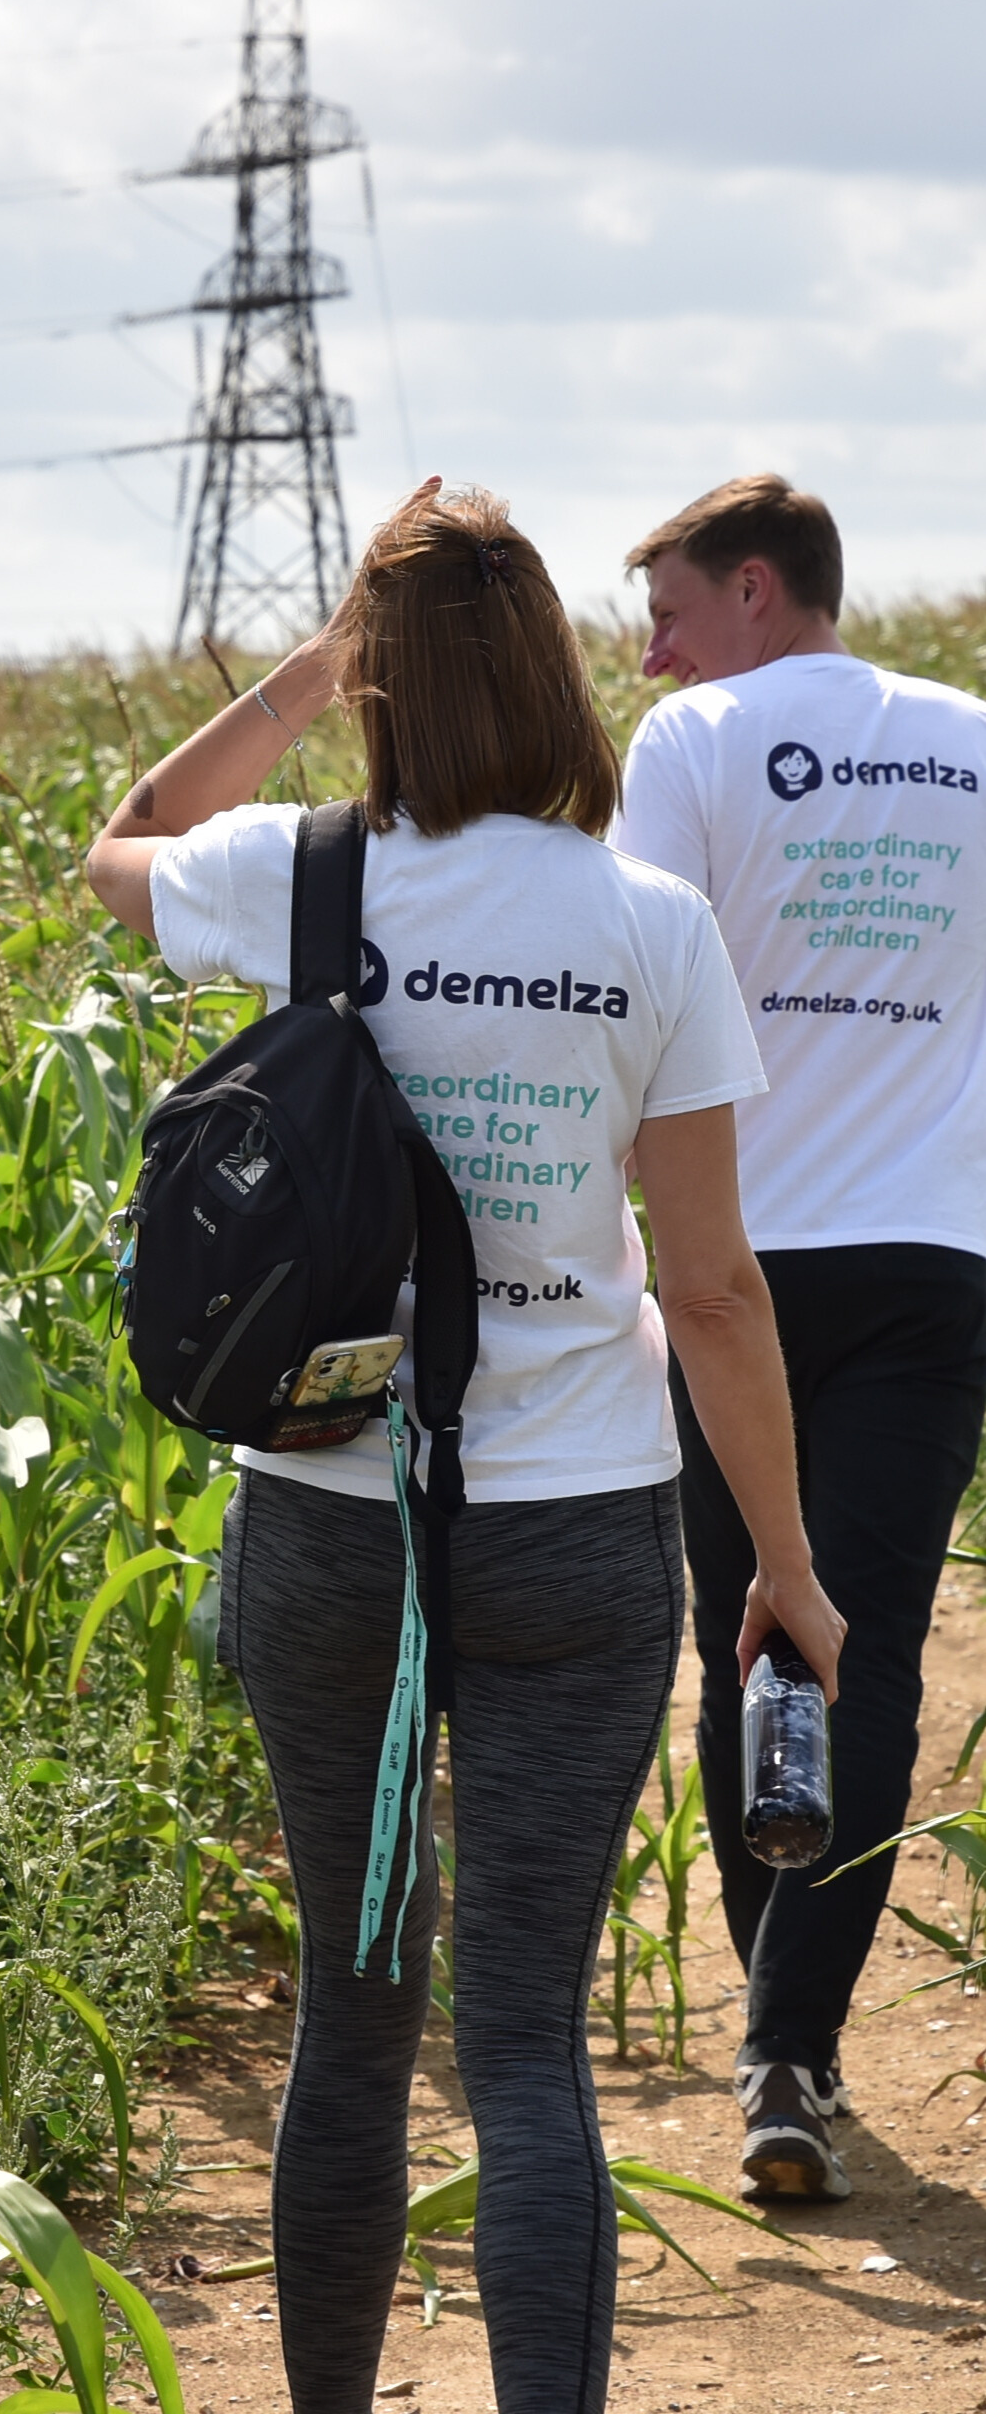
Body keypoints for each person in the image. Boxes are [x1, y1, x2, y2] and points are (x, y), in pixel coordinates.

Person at [83, 481, 842, 2414]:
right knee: (520, 2042)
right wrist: (782, 1565)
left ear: (383, 687)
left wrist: (299, 675)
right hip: (573, 1536)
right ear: (557, 682)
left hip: (327, 1525)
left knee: (352, 2028)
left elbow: (119, 842)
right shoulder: (645, 928)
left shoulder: (300, 874)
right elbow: (717, 1292)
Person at [614, 473, 986, 2199]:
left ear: (755, 590)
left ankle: (778, 2039)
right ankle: (794, 2043)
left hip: (729, 1267)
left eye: (670, 611)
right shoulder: (971, 743)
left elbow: (634, 987)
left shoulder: (690, 752)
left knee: (747, 1629)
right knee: (871, 1644)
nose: (649, 652)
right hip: (927, 1254)